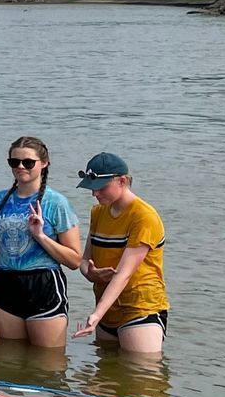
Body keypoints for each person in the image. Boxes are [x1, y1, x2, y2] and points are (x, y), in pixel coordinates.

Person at [0, 136, 83, 348]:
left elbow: (75, 260)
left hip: (43, 283)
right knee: (8, 359)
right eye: (14, 162)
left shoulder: (56, 203)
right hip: (4, 282)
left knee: (48, 363)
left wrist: (40, 236)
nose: (20, 167)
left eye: (28, 162)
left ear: (44, 163)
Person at [72, 151, 169, 355]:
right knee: (106, 376)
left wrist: (96, 315)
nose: (95, 194)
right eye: (92, 189)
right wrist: (89, 273)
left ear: (122, 181)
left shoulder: (144, 217)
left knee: (142, 377)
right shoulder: (98, 212)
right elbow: (85, 260)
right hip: (106, 307)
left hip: (139, 308)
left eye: (101, 188)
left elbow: (124, 274)